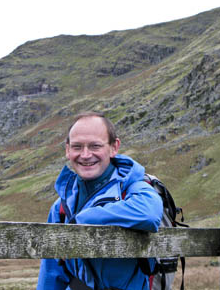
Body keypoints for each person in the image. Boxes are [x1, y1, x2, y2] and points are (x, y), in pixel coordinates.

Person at [37, 112, 163, 290]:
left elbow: (149, 213)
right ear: (67, 150)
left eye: (95, 146)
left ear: (114, 147)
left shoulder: (132, 187)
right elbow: (51, 275)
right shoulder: (60, 209)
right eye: (77, 147)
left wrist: (81, 220)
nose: (86, 155)